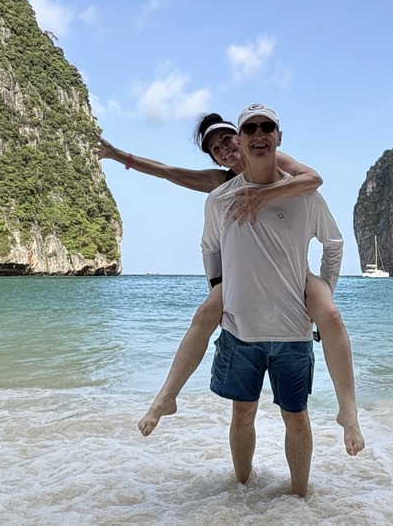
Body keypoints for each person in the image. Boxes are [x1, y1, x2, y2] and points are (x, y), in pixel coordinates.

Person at [96, 117, 365, 456]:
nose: (224, 150)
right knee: (207, 310)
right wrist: (118, 155)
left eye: (226, 140)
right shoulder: (221, 186)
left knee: (330, 314)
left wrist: (263, 195)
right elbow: (167, 172)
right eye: (215, 150)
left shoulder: (273, 158)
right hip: (242, 276)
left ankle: (348, 411)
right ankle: (167, 397)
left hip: (292, 271)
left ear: (240, 138)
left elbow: (313, 179)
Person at [202, 102, 342, 496]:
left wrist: (324, 292)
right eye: (251, 129)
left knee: (296, 417)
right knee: (242, 412)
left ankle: (300, 501)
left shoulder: (304, 195)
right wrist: (219, 290)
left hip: (294, 331)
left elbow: (333, 244)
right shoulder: (219, 200)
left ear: (279, 139)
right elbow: (210, 247)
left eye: (267, 128)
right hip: (239, 331)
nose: (259, 134)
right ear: (241, 144)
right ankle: (241, 493)